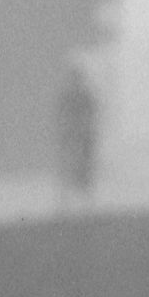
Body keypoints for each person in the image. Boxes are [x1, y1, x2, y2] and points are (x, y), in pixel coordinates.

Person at [54, 62, 100, 203]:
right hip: (71, 133)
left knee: (84, 163)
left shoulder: (84, 95)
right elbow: (60, 115)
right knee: (68, 163)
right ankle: (66, 196)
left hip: (82, 133)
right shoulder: (67, 96)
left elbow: (91, 114)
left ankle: (85, 196)